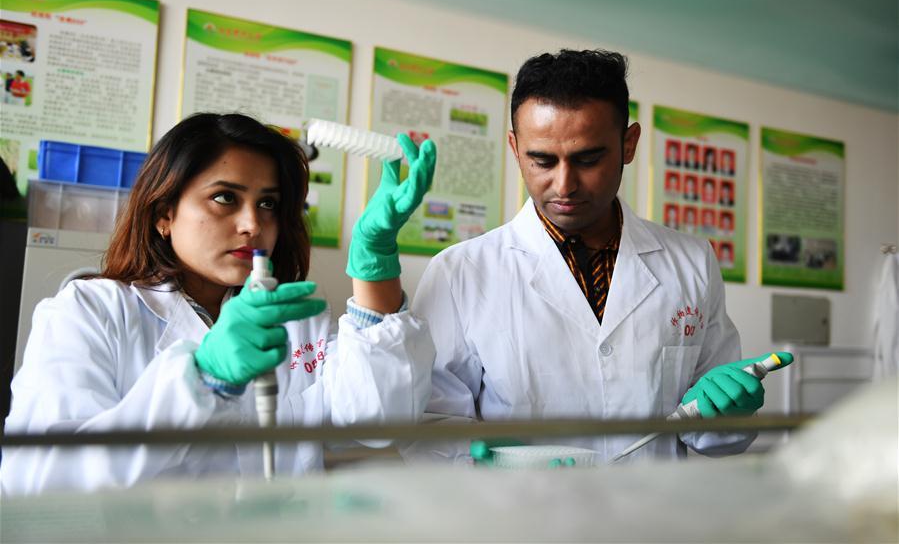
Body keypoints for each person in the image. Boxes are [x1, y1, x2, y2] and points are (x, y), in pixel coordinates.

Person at [2, 113, 437, 495]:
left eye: (268, 203)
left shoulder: (295, 320)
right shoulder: (89, 312)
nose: (253, 224)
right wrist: (204, 376)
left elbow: (380, 420)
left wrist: (375, 259)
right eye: (225, 197)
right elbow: (38, 479)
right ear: (164, 213)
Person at [412, 49, 778, 463]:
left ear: (628, 144)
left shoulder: (692, 262)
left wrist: (728, 415)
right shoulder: (460, 272)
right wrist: (493, 466)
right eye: (541, 160)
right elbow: (429, 423)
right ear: (515, 148)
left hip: (650, 503)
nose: (564, 185)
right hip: (524, 503)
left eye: (588, 159)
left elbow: (712, 430)